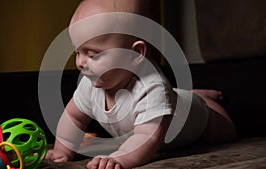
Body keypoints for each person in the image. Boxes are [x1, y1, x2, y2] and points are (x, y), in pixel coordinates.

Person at [45, 0, 237, 168]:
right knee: (176, 97)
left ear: (135, 54)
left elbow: (147, 137)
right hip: (173, 99)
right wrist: (63, 150)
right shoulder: (91, 83)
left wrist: (119, 158)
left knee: (226, 133)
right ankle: (188, 95)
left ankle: (202, 100)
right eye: (77, 52)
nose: (80, 62)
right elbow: (74, 117)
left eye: (93, 55)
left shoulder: (152, 88)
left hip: (197, 118)